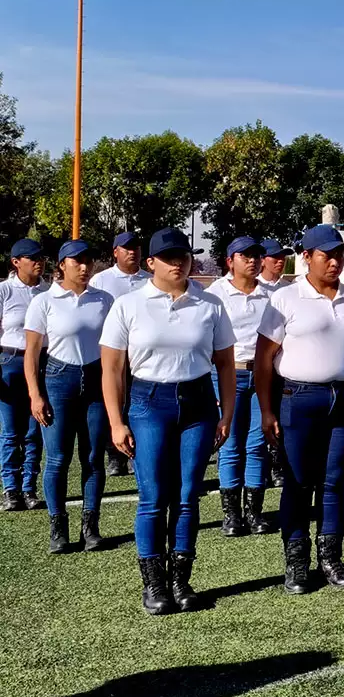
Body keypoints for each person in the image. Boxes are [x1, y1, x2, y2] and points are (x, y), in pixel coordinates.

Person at [99, 228, 237, 615]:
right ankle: (154, 585)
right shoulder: (128, 305)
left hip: (197, 403)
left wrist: (227, 413)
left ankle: (181, 580)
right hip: (148, 402)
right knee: (154, 496)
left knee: (189, 494)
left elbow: (225, 364)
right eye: (170, 257)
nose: (179, 263)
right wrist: (116, 421)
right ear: (151, 263)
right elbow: (111, 369)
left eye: (184, 256)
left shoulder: (209, 304)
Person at [255, 224, 344, 594]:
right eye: (326, 254)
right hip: (300, 399)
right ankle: (296, 562)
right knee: (297, 483)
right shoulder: (285, 299)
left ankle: (331, 558)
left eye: (339, 254)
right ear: (306, 257)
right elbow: (264, 359)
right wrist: (266, 409)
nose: (335, 261)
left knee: (334, 483)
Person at [24, 240, 112, 552]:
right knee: (58, 458)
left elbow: (115, 349)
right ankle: (58, 529)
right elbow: (32, 354)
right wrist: (35, 395)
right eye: (77, 261)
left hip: (97, 380)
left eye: (88, 261)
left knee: (92, 458)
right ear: (62, 265)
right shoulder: (45, 302)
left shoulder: (105, 299)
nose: (85, 267)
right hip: (59, 380)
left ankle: (90, 528)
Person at [204, 236, 275, 537]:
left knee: (258, 444)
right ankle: (231, 515)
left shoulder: (272, 295)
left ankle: (254, 512)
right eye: (245, 255)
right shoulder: (215, 294)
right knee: (230, 443)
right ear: (230, 260)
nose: (253, 260)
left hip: (262, 375)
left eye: (257, 255)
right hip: (227, 374)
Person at [90, 232, 150, 478]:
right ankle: (114, 454)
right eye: (126, 248)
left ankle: (136, 453)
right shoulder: (101, 280)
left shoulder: (150, 279)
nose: (132, 252)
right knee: (113, 404)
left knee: (137, 404)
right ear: (115, 252)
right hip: (111, 353)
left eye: (135, 247)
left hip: (140, 354)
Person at [0, 238, 48, 512]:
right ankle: (11, 488)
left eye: (40, 257)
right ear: (16, 262)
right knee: (10, 431)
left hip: (41, 362)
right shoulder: (4, 291)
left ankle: (29, 487)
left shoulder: (47, 291)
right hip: (10, 361)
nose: (38, 261)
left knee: (34, 430)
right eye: (31, 258)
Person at [258, 238, 293, 489]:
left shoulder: (288, 288)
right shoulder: (256, 287)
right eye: (275, 257)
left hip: (280, 365)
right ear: (263, 260)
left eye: (283, 257)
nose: (280, 261)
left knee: (279, 416)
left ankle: (277, 463)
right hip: (254, 362)